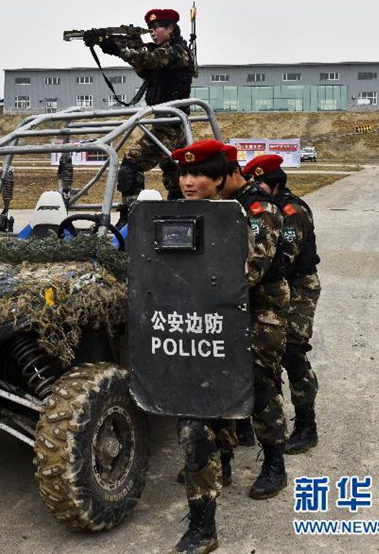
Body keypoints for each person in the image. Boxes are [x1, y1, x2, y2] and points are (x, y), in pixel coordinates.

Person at [166, 139, 231, 554]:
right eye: (183, 174)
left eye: (199, 174)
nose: (189, 182)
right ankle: (204, 522)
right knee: (195, 427)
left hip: (226, 332)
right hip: (189, 335)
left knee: (215, 419)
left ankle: (204, 528)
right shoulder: (170, 214)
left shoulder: (237, 218)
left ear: (220, 178)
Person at [219, 144, 290, 499]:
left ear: (232, 175)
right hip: (225, 308)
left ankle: (275, 464)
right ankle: (223, 460)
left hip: (262, 310)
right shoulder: (222, 207)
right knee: (221, 383)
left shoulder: (259, 211)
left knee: (261, 385)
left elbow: (251, 271)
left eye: (210, 177)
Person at [243, 154, 321, 454]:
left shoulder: (292, 212)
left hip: (300, 288)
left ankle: (306, 425)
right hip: (278, 289)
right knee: (267, 355)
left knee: (293, 352)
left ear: (274, 184)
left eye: (260, 182)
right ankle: (265, 423)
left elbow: (284, 259)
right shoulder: (261, 210)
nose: (256, 189)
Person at [92, 8, 195, 218]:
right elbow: (143, 63)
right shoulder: (163, 52)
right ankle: (180, 215)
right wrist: (108, 44)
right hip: (167, 122)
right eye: (150, 29)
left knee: (130, 166)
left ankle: (129, 219)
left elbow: (147, 59)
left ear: (170, 28)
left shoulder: (177, 51)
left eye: (157, 28)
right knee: (176, 174)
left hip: (172, 125)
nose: (153, 32)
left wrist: (114, 47)